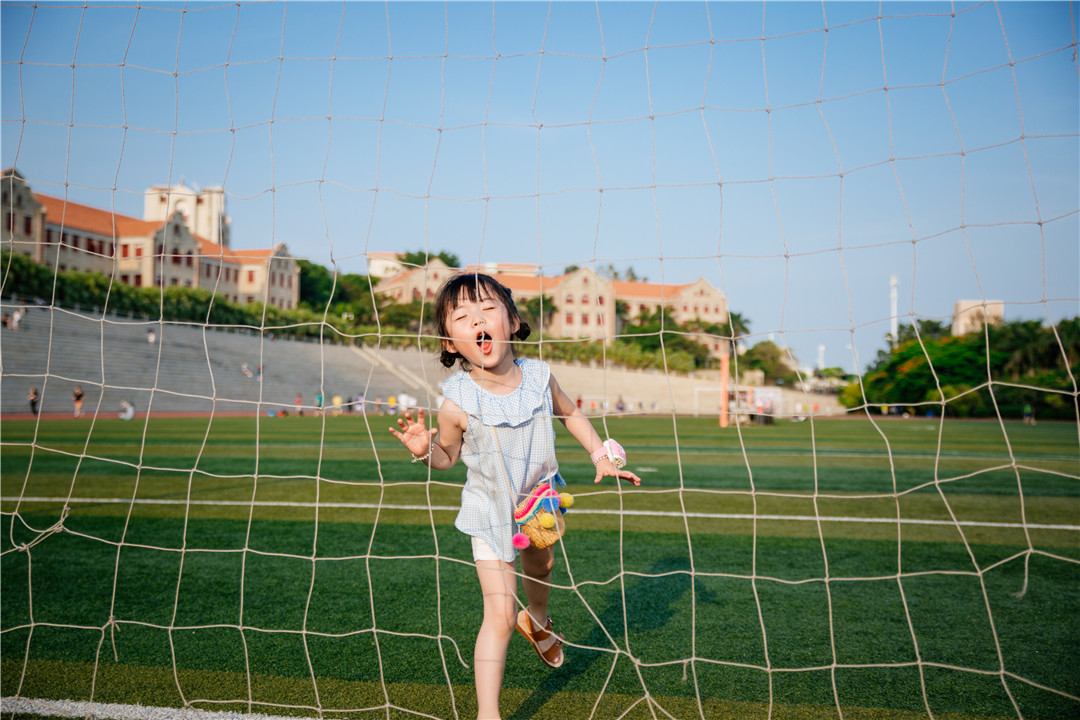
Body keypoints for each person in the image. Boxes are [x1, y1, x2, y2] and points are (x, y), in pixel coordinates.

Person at [389, 273, 641, 720]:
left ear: (513, 320)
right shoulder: (456, 402)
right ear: (450, 343)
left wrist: (600, 453)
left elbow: (570, 412)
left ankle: (539, 620)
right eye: (463, 317)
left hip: (540, 502)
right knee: (499, 614)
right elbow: (448, 456)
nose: (478, 321)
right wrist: (424, 450)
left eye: (487, 309)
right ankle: (489, 713)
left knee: (542, 566)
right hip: (489, 512)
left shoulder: (540, 377)